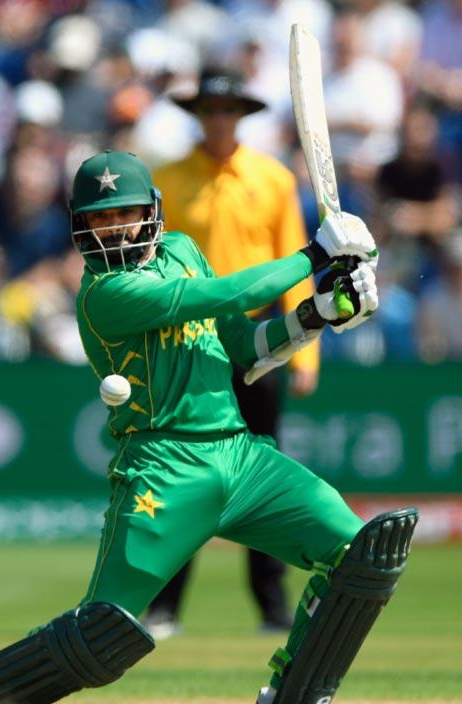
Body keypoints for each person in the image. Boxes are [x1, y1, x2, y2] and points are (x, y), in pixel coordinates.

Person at [0, 150, 418, 704]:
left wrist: (316, 313)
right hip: (162, 469)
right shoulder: (104, 294)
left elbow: (242, 349)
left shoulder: (182, 250)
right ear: (81, 227)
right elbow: (214, 299)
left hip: (241, 456)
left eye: (125, 212)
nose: (116, 227)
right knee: (104, 630)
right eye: (101, 218)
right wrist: (315, 257)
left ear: (151, 210)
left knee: (360, 554)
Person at [144, 67, 319, 639]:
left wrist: (307, 353)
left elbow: (292, 261)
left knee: (260, 472)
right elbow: (152, 267)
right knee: (185, 471)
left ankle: (271, 607)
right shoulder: (167, 180)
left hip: (255, 344)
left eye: (228, 110)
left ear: (240, 116)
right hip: (189, 345)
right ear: (197, 116)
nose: (218, 120)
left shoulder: (271, 179)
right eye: (209, 110)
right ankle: (164, 605)